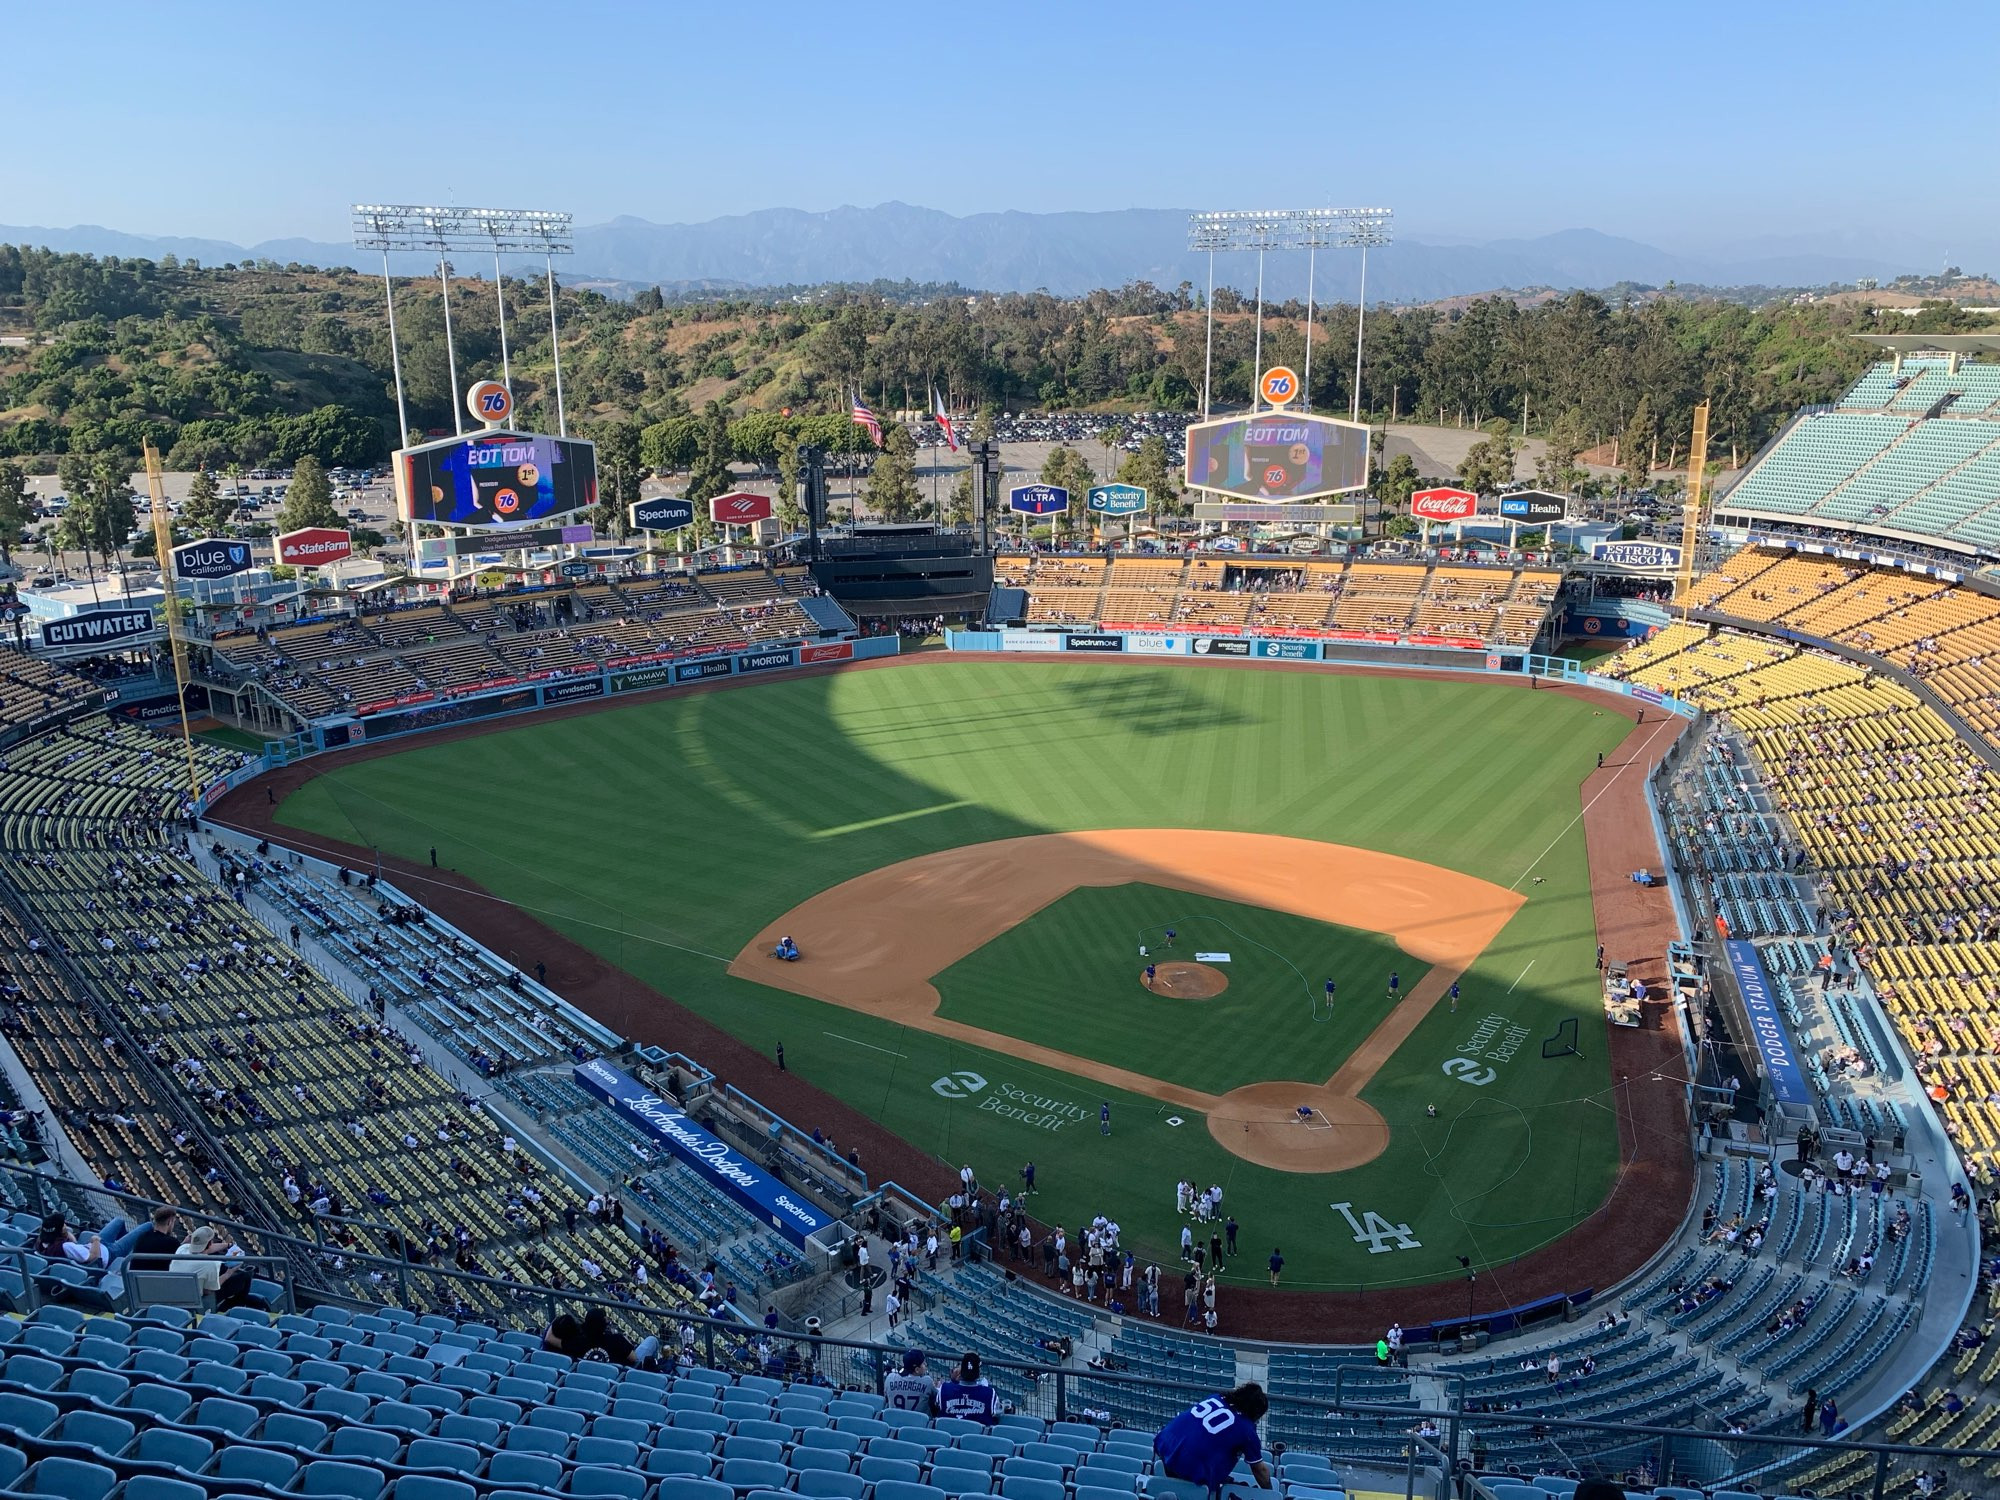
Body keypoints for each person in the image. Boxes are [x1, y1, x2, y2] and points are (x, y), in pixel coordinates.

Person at [1154, 1384, 1273, 1495]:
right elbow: (1260, 1470)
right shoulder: (1246, 1430)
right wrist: (1270, 1493)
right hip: (1189, 1468)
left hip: (1166, 1446)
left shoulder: (1215, 1398)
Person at [170, 1225, 254, 1311]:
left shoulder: (182, 1248)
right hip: (197, 1300)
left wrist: (228, 1245)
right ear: (210, 1243)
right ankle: (231, 1308)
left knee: (220, 1269)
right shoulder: (210, 1264)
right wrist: (228, 1273)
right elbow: (209, 1290)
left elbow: (207, 1249)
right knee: (245, 1276)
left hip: (176, 1293)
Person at [937, 1351, 998, 1427]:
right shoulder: (990, 1393)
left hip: (948, 1436)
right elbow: (996, 1415)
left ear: (961, 1372)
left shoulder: (944, 1388)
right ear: (978, 1373)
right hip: (976, 1437)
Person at [884, 1348, 936, 1413]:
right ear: (917, 1370)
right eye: (923, 1363)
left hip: (894, 1420)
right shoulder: (927, 1381)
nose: (925, 1364)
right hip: (919, 1422)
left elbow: (886, 1397)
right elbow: (936, 1400)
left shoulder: (890, 1378)